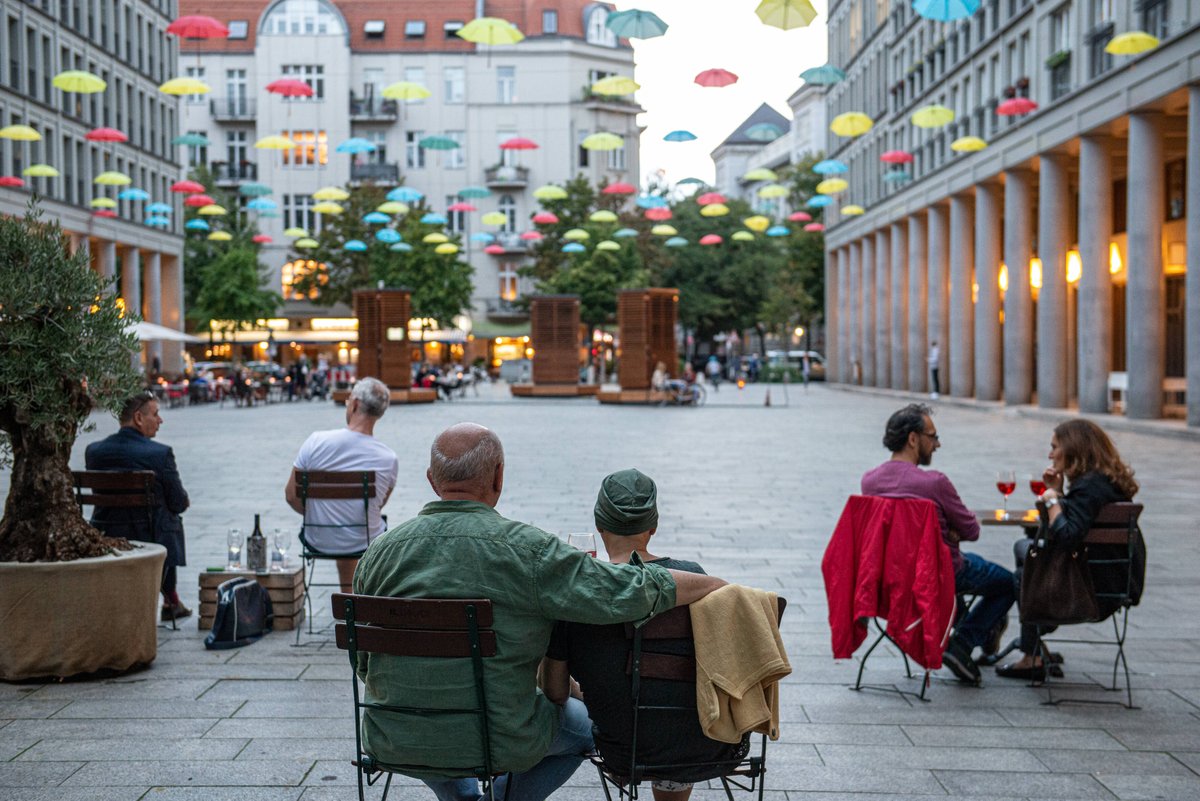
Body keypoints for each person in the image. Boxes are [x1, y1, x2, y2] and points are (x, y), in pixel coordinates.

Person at [353, 423, 727, 801]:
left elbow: (363, 663)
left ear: (432, 481)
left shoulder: (377, 555)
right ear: (498, 477)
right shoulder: (528, 551)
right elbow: (620, 590)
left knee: (439, 730)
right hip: (500, 738)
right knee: (584, 728)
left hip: (394, 734)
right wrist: (713, 584)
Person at [543, 469, 746, 801]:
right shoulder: (694, 578)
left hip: (624, 750)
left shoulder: (578, 597)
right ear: (653, 527)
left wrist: (592, 689)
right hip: (710, 741)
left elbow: (554, 691)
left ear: (598, 524)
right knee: (673, 708)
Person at [860, 404, 1014, 684]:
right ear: (913, 439)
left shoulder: (869, 481)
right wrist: (950, 532)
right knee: (1009, 583)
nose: (937, 444)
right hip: (940, 574)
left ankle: (963, 625)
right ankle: (963, 643)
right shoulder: (934, 483)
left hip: (890, 577)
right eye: (933, 436)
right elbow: (971, 529)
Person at [996, 419, 1142, 680]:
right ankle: (1035, 642)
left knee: (1023, 573)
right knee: (1024, 551)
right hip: (1115, 584)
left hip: (1090, 590)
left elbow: (1067, 536)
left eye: (1055, 447)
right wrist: (1060, 493)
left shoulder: (1089, 487)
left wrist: (1052, 499)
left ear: (1073, 448)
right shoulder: (1104, 483)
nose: (1050, 454)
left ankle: (1033, 650)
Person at [85, 391, 192, 621]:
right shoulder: (160, 454)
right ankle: (170, 598)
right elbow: (178, 502)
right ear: (138, 418)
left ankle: (170, 598)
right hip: (150, 534)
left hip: (105, 530)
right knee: (170, 516)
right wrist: (182, 502)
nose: (160, 420)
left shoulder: (94, 452)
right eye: (156, 414)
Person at [284, 377, 398, 592]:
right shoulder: (388, 458)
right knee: (362, 524)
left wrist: (317, 516)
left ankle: (349, 600)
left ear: (354, 403)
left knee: (349, 524)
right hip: (364, 540)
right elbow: (377, 505)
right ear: (380, 412)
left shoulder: (315, 441)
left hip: (317, 538)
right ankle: (353, 601)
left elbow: (291, 495)